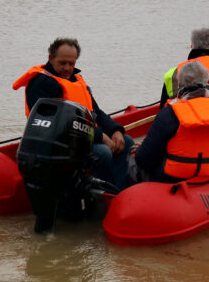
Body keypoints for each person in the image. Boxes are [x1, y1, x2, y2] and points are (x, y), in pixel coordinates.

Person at [12, 37, 133, 191]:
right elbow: (62, 126)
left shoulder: (77, 81)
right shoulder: (42, 83)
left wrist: (115, 130)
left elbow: (97, 112)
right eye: (63, 63)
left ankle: (119, 192)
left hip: (85, 137)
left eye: (71, 63)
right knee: (102, 152)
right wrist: (100, 136)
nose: (67, 68)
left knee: (126, 142)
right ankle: (105, 196)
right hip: (58, 144)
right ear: (51, 58)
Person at [134, 61, 209, 183]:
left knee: (132, 157)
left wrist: (140, 150)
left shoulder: (169, 113)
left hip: (170, 178)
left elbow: (145, 161)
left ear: (180, 84)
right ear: (206, 81)